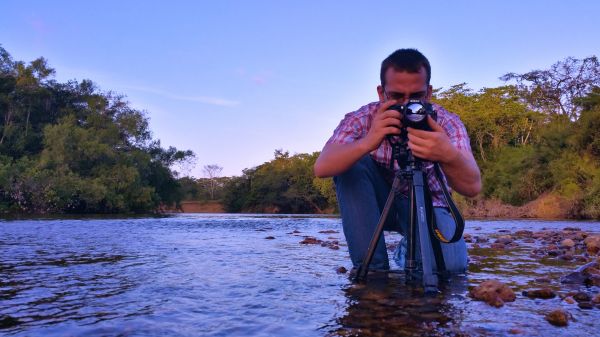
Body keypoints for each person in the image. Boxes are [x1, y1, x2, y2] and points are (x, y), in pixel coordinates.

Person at [314, 48, 481, 273]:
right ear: (381, 93)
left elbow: (472, 187)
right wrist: (368, 141)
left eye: (416, 97)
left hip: (429, 206)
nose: (405, 106)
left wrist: (447, 154)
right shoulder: (362, 118)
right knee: (350, 164)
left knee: (450, 270)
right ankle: (373, 270)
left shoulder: (447, 123)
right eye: (396, 97)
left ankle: (407, 249)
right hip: (377, 203)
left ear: (429, 93)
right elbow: (322, 167)